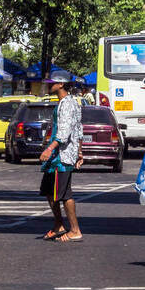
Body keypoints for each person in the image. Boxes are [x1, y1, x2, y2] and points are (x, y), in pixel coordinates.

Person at [40, 79, 84, 242]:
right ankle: (59, 224)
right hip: (57, 156)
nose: (49, 85)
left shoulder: (67, 104)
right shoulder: (67, 102)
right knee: (49, 191)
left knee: (64, 194)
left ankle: (75, 230)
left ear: (60, 85)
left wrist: (50, 148)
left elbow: (65, 131)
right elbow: (79, 128)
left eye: (52, 83)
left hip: (61, 155)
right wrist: (80, 151)